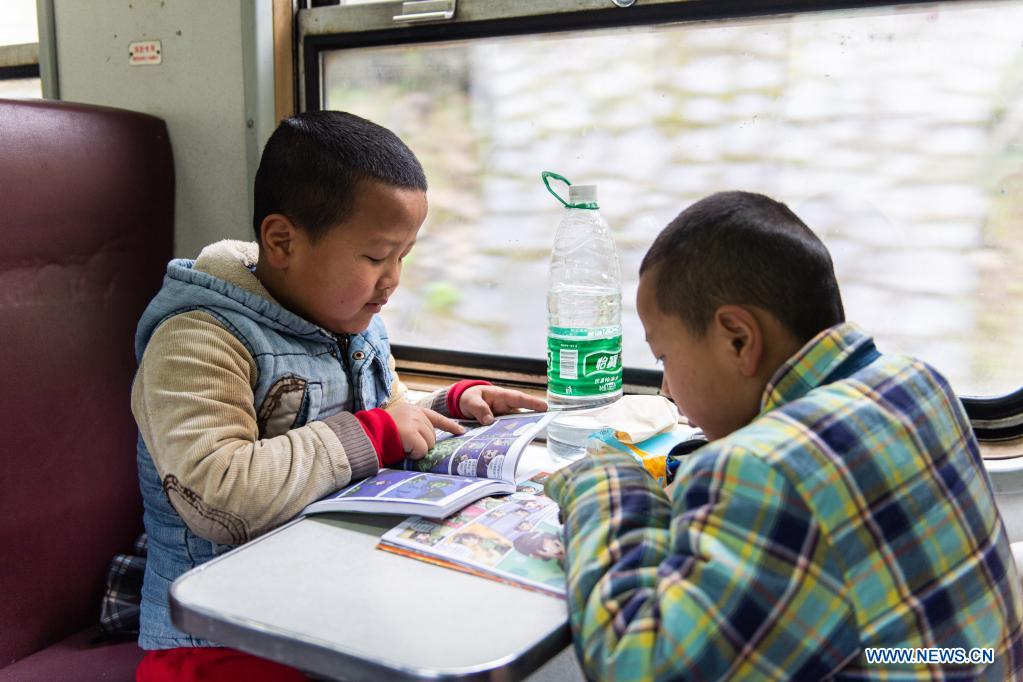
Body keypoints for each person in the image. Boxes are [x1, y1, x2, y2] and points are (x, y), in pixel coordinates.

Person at [130, 110, 545, 680]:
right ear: (282, 241)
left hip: (329, 591)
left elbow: (387, 414)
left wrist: (446, 407)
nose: (393, 278)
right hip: (218, 633)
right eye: (376, 257)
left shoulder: (351, 316)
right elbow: (217, 493)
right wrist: (378, 431)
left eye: (404, 256)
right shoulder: (197, 339)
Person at [545, 191, 1022, 680]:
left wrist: (609, 485)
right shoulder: (920, 384)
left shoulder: (766, 470)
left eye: (665, 357)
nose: (667, 387)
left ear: (738, 338)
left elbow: (637, 667)